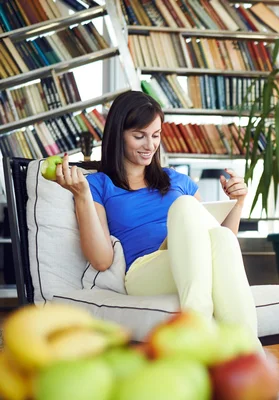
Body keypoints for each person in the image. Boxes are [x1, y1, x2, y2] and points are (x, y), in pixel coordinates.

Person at [54, 91, 261, 350]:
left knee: (219, 235)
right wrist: (82, 196)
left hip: (189, 263)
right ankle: (197, 332)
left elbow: (218, 244)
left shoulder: (178, 181)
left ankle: (252, 358)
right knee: (184, 206)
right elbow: (101, 259)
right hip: (145, 271)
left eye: (156, 135)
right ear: (118, 135)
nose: (150, 145)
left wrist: (237, 204)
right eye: (139, 136)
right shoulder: (97, 185)